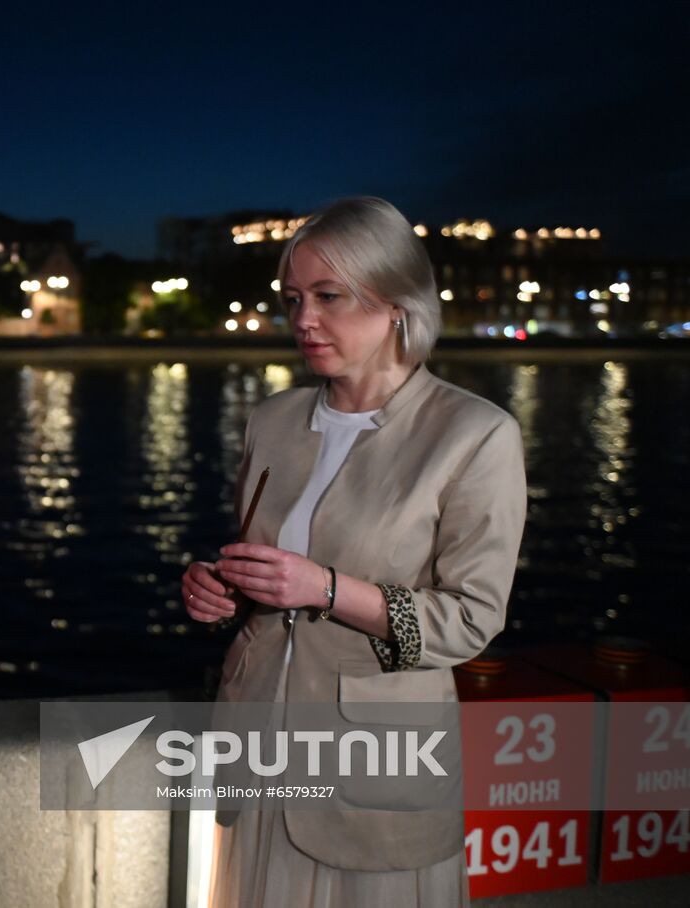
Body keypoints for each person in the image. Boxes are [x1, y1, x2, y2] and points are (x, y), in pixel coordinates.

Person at [180, 197, 526, 907]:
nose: (303, 319)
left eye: (329, 297)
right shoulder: (271, 419)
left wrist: (325, 589)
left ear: (397, 300)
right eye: (293, 298)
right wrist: (219, 591)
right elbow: (265, 574)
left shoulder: (476, 435)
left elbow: (469, 622)